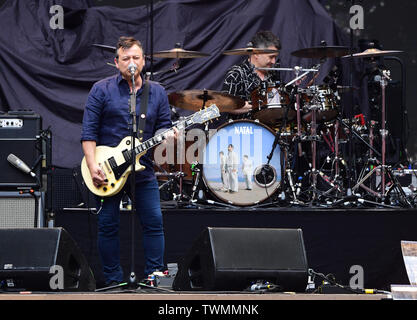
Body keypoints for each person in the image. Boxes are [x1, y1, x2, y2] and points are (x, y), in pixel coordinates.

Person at [81, 36, 174, 287]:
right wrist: (92, 165)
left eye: (136, 57)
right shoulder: (101, 89)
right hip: (106, 169)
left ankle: (154, 279)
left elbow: (163, 127)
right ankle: (112, 281)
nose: (131, 63)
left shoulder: (157, 92)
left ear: (143, 61)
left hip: (142, 171)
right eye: (126, 59)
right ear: (116, 62)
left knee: (154, 223)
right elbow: (88, 132)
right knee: (108, 225)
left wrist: (167, 138)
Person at [222, 30, 281, 119]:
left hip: (269, 128)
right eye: (271, 57)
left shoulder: (273, 73)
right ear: (256, 53)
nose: (274, 61)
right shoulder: (236, 74)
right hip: (242, 129)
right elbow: (226, 105)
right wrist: (257, 104)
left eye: (275, 57)